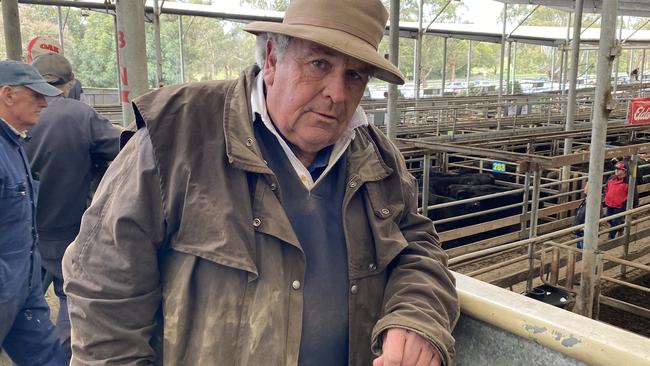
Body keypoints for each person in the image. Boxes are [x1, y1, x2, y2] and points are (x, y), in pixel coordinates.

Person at [62, 0, 459, 365]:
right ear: (272, 58)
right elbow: (103, 291)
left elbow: (418, 247)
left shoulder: (376, 156)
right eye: (319, 64)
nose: (337, 93)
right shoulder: (176, 136)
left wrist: (417, 314)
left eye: (354, 75)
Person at [23, 52, 121, 358]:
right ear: (70, 83)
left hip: (20, 233)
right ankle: (66, 357)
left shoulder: (14, 115)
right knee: (71, 298)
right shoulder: (79, 114)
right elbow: (124, 148)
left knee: (20, 302)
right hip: (67, 231)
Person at [0, 60, 68, 365]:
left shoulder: (13, 145)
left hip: (24, 290)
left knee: (49, 358)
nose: (44, 102)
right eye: (35, 95)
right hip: (6, 287)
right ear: (8, 94)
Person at [603, 160, 637, 240]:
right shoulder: (611, 178)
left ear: (625, 171)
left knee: (615, 222)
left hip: (620, 206)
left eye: (619, 169)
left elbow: (633, 194)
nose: (616, 171)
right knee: (609, 219)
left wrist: (627, 203)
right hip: (610, 203)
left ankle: (610, 237)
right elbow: (606, 187)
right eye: (616, 169)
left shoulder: (629, 181)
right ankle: (620, 228)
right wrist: (606, 196)